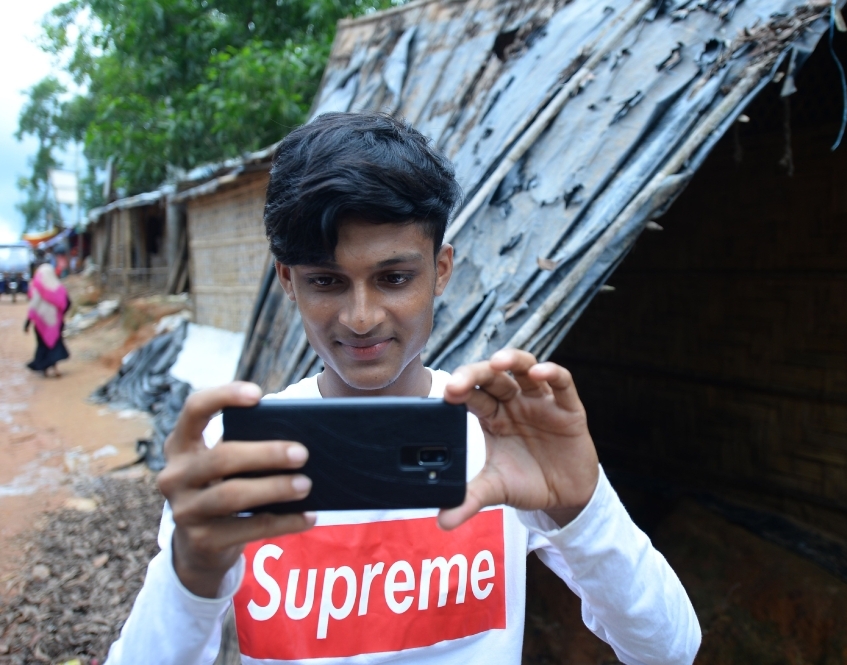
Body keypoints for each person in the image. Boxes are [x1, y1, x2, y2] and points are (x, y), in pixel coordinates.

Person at [106, 112, 701, 664]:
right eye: (326, 281)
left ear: (440, 269)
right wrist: (191, 572)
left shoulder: (498, 439)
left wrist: (583, 507)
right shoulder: (236, 455)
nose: (361, 316)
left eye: (394, 277)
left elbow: (669, 650)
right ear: (288, 281)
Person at [24, 263, 70, 378]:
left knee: (42, 346)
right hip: (55, 323)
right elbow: (67, 303)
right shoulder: (59, 288)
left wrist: (28, 322)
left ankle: (43, 368)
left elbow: (33, 306)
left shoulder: (37, 289)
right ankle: (54, 369)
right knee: (54, 345)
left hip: (41, 324)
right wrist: (61, 315)